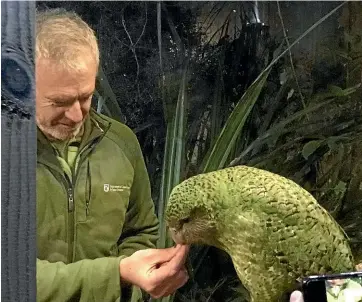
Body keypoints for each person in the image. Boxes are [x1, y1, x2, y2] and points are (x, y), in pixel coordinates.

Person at [36, 8, 188, 302]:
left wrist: (143, 275)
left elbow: (140, 230)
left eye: (86, 96)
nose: (77, 114)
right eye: (60, 101)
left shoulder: (120, 143)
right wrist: (116, 273)